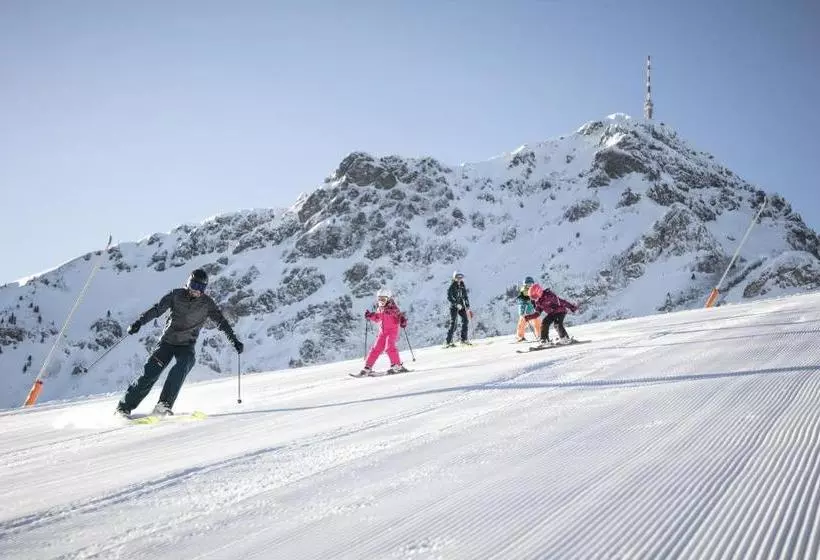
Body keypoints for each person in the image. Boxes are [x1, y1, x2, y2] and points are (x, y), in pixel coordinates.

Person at [115, 268, 244, 417]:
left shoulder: (207, 303)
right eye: (194, 286)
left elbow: (221, 322)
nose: (197, 291)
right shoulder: (175, 295)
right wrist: (139, 322)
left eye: (201, 288)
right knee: (150, 373)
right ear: (188, 284)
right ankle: (123, 407)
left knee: (184, 364)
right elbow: (157, 309)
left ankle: (164, 404)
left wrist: (234, 340)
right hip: (167, 342)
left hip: (186, 345)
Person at [357, 288, 408, 376]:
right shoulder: (380, 308)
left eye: (383, 299)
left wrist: (403, 321)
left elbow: (399, 316)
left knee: (389, 347)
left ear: (388, 299)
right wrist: (370, 316)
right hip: (382, 333)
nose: (381, 301)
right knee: (375, 349)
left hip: (392, 332)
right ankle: (367, 368)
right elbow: (378, 318)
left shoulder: (393, 308)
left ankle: (397, 366)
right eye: (379, 299)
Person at [445, 271, 472, 347]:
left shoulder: (462, 285)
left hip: (461, 306)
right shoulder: (452, 286)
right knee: (454, 323)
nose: (459, 279)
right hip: (454, 307)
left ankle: (464, 339)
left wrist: (467, 304)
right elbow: (449, 297)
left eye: (461, 277)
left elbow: (465, 296)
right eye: (458, 277)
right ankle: (448, 341)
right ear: (454, 278)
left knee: (465, 321)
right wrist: (456, 304)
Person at [515, 276, 542, 342]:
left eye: (531, 284)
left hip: (533, 311)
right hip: (525, 312)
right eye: (528, 284)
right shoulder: (523, 292)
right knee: (522, 324)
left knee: (537, 323)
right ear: (525, 284)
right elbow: (520, 302)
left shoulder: (534, 290)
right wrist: (522, 311)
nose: (530, 285)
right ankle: (520, 337)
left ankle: (539, 335)